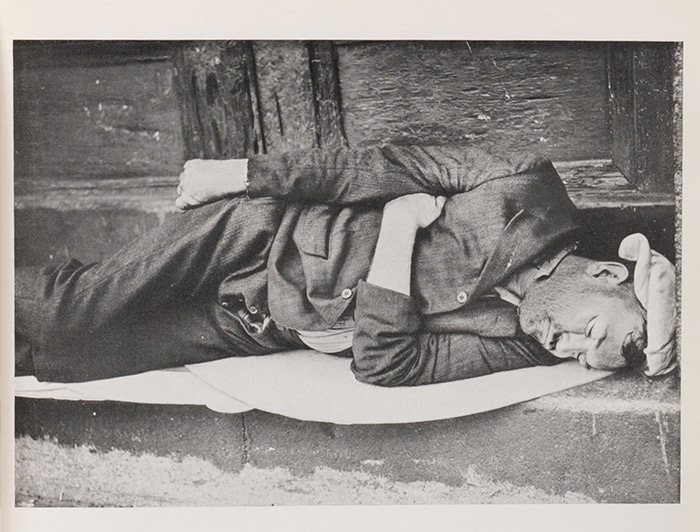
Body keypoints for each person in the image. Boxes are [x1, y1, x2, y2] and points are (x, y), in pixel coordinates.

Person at [15, 145, 677, 386]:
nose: (570, 352)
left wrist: (396, 233)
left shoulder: (529, 345)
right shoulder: (524, 185)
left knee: (83, 356)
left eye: (589, 361)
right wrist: (237, 174)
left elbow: (384, 365)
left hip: (267, 323)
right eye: (592, 335)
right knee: (67, 313)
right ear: (609, 275)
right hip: (261, 237)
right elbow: (373, 168)